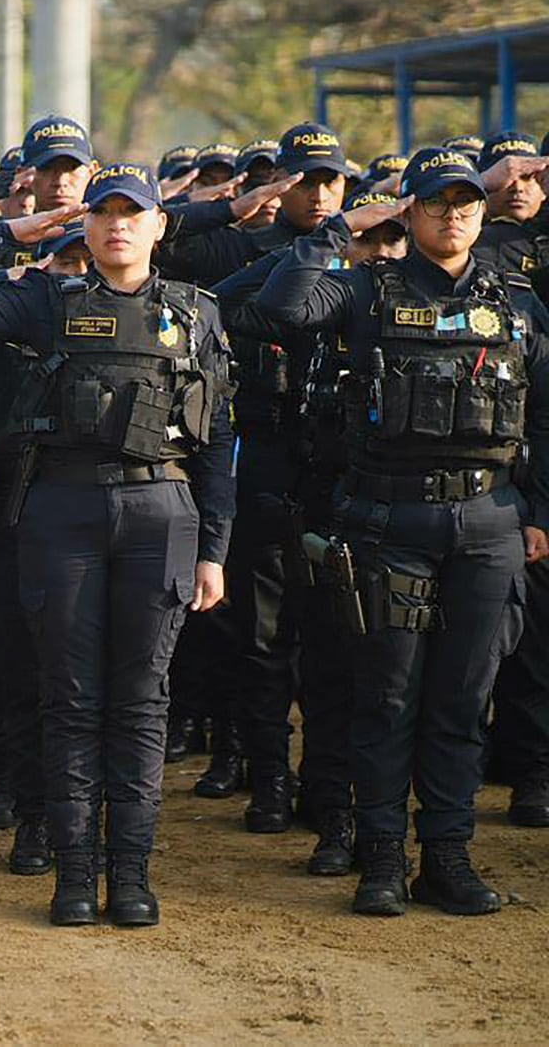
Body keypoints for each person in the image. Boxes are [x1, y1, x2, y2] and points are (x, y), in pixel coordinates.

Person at [0, 161, 235, 928]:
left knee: (141, 700)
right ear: (84, 226)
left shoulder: (196, 313)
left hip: (162, 507)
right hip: (62, 508)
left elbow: (219, 439)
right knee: (70, 696)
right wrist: (3, 233)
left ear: (161, 225)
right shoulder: (45, 301)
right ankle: (73, 874)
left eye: (134, 212)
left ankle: (130, 875)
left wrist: (214, 548)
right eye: (104, 212)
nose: (118, 224)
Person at [256, 146, 549, 917]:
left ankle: (446, 856)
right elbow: (283, 304)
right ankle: (382, 857)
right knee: (387, 697)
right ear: (408, 212)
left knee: (462, 700)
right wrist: (348, 221)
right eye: (435, 201)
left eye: (465, 203)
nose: (452, 213)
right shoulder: (362, 290)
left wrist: (539, 512)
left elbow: (545, 415)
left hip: (488, 523)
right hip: (388, 520)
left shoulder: (516, 300)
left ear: (482, 216)